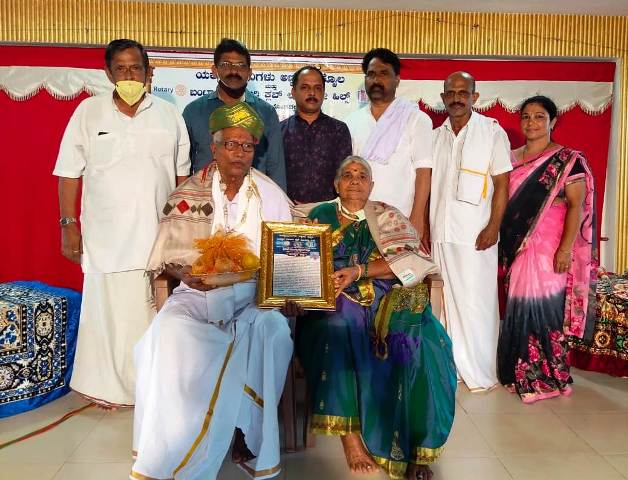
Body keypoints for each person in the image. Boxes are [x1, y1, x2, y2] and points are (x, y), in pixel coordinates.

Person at [131, 102, 293, 480]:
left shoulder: (270, 194)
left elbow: (287, 254)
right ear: (214, 148)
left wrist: (288, 292)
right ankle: (175, 438)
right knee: (168, 330)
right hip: (197, 294)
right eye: (230, 145)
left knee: (275, 331)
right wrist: (184, 273)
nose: (239, 153)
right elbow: (167, 256)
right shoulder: (189, 193)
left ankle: (247, 435)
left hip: (253, 296)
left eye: (247, 146)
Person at [291, 156, 456, 480]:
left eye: (362, 175)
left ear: (372, 185)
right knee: (337, 327)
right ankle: (350, 439)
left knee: (423, 342)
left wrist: (359, 271)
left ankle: (417, 448)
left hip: (384, 298)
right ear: (336, 184)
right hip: (333, 299)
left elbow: (410, 260)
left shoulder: (386, 216)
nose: (355, 180)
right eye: (347, 175)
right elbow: (296, 260)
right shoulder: (318, 215)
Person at [53, 38, 190, 408]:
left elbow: (182, 180)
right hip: (105, 237)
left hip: (154, 238)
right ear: (108, 73)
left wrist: (181, 232)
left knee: (148, 314)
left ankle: (148, 389)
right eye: (121, 69)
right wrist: (68, 224)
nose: (129, 75)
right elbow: (68, 173)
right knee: (107, 315)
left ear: (148, 72)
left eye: (136, 68)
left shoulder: (169, 115)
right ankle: (103, 389)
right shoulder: (88, 112)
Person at [498, 95, 596, 403]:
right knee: (518, 304)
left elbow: (576, 205)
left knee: (546, 307)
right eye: (526, 116)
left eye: (539, 116)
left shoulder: (567, 159)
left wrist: (565, 249)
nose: (531, 123)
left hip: (550, 245)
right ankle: (520, 373)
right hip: (518, 245)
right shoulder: (508, 158)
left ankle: (550, 378)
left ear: (552, 121)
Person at [430, 71, 512, 392]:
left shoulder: (491, 131)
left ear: (475, 97)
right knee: (445, 304)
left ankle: (479, 370)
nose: (456, 98)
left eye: (463, 92)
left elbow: (502, 183)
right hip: (441, 232)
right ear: (443, 98)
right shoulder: (436, 136)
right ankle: (452, 367)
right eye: (451, 93)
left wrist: (494, 226)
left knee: (476, 302)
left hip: (477, 235)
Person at [345, 48, 432, 239]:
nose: (376, 80)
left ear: (397, 79)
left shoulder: (416, 119)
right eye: (371, 74)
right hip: (359, 217)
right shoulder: (352, 121)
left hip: (401, 217)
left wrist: (418, 216)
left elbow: (424, 173)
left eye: (383, 73)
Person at [183, 38, 286, 190]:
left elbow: (275, 166)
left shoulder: (266, 112)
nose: (234, 71)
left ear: (249, 73)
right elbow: (183, 165)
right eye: (226, 65)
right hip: (205, 198)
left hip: (254, 197)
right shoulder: (193, 111)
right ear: (214, 70)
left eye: (241, 66)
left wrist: (278, 201)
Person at [281, 65, 352, 203]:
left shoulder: (339, 130)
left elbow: (345, 175)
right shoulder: (280, 131)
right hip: (287, 210)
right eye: (305, 87)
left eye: (317, 88)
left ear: (323, 92)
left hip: (328, 211)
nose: (312, 93)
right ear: (293, 92)